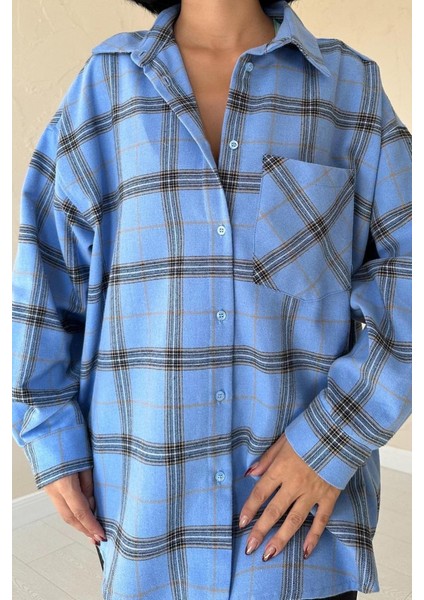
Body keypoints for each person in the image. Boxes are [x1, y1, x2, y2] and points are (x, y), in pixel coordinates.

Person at [12, 0, 411, 598]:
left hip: (299, 528)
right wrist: (49, 434)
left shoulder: (349, 89)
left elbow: (408, 274)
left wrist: (333, 439)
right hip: (148, 509)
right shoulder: (105, 88)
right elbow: (47, 274)